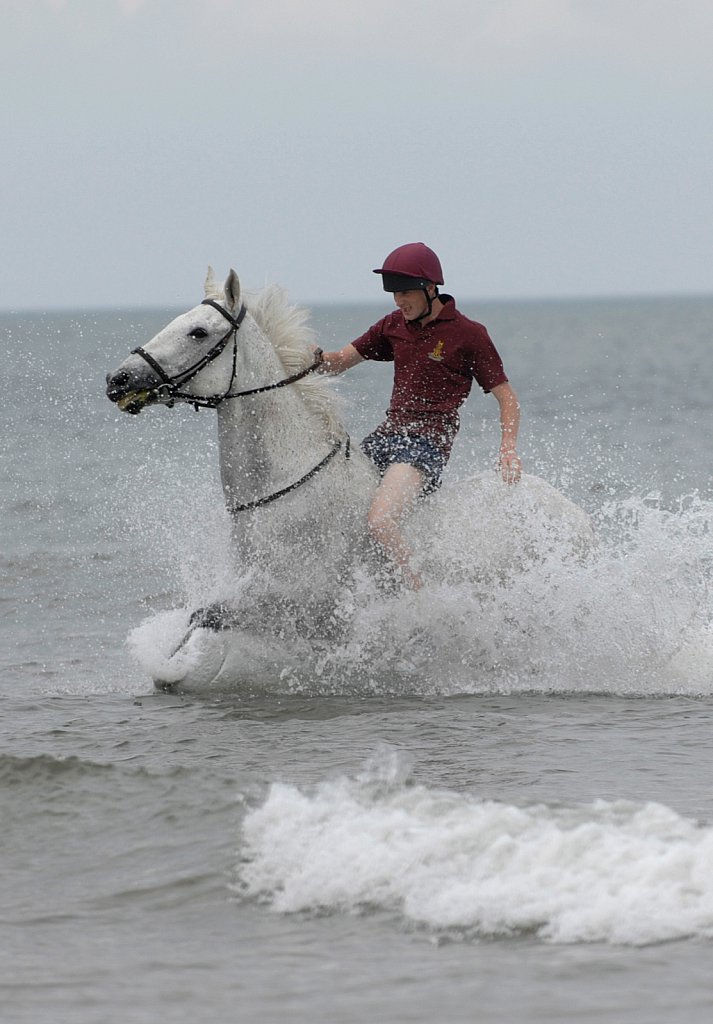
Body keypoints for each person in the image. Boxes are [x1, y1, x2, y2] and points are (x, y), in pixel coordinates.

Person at [317, 242, 521, 590]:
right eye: (393, 293)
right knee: (332, 505)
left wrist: (508, 448)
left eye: (405, 292)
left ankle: (420, 595)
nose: (398, 301)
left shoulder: (468, 334)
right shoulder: (394, 324)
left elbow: (508, 399)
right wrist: (303, 356)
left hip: (428, 442)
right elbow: (337, 362)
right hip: (385, 436)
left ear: (430, 288)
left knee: (381, 521)